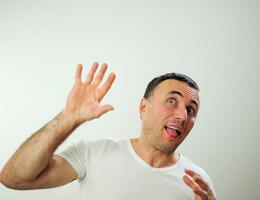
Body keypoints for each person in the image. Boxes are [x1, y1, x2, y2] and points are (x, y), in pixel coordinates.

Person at [0, 62, 217, 200]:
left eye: (191, 109)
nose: (182, 116)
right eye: (172, 101)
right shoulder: (94, 153)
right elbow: (14, 178)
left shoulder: (198, 182)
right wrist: (66, 119)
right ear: (143, 107)